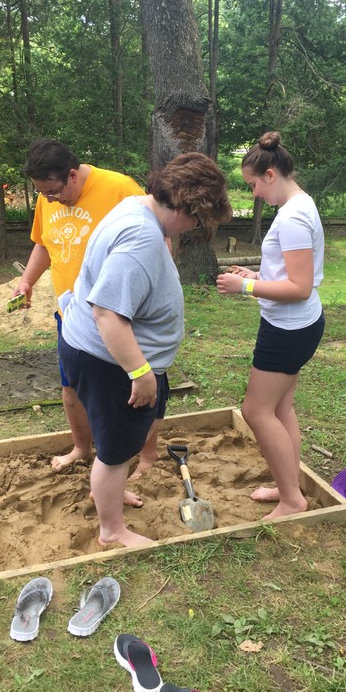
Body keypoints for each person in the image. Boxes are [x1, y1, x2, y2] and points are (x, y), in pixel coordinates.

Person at [58, 152, 232, 547]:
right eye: (197, 220)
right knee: (117, 451)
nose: (193, 229)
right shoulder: (141, 239)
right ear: (186, 208)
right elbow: (108, 313)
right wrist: (140, 372)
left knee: (115, 442)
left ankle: (110, 494)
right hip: (109, 361)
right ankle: (112, 531)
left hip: (94, 351)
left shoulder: (136, 207)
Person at [14, 140, 161, 497]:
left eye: (53, 191)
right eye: (42, 193)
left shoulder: (121, 190)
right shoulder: (46, 196)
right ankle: (82, 448)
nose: (49, 199)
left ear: (73, 175)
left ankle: (148, 455)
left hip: (120, 316)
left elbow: (158, 240)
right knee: (72, 389)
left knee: (138, 390)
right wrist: (27, 281)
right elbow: (44, 243)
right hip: (72, 316)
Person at [216, 131, 325, 520]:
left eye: (253, 185)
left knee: (256, 410)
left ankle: (292, 500)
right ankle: (287, 485)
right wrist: (259, 272)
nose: (255, 195)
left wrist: (245, 285)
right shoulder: (299, 205)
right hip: (296, 324)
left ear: (271, 173)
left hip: (288, 329)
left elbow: (298, 287)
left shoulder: (293, 217)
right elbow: (290, 273)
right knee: (280, 408)